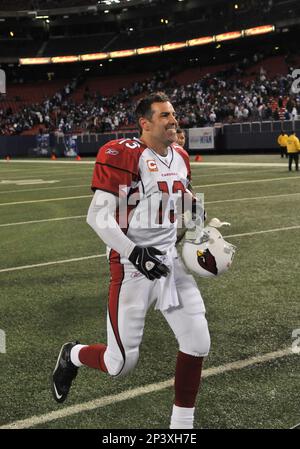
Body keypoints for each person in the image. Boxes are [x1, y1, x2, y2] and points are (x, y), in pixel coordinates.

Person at [51, 92, 210, 429]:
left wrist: (197, 215)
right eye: (165, 115)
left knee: (198, 342)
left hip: (169, 263)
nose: (173, 120)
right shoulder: (123, 154)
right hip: (131, 268)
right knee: (119, 363)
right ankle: (73, 354)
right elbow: (97, 217)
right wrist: (135, 252)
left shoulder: (179, 155)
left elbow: (182, 197)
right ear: (145, 122)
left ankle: (182, 428)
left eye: (173, 114)